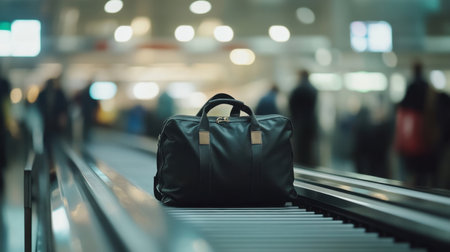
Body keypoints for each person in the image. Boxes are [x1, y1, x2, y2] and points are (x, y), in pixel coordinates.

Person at [394, 61, 441, 187]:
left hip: (413, 137)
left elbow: (402, 108)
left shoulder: (412, 87)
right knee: (425, 171)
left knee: (414, 172)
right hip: (427, 136)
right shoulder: (428, 88)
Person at [289, 70, 318, 167]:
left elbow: (291, 108)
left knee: (299, 150)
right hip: (311, 123)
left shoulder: (297, 90)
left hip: (299, 124)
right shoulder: (313, 89)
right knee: (309, 149)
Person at [36, 77, 69, 147]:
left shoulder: (59, 93)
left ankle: (54, 154)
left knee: (56, 140)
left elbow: (64, 106)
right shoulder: (43, 94)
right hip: (46, 120)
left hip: (55, 121)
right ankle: (49, 155)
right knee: (48, 139)